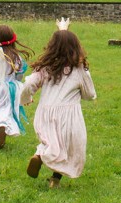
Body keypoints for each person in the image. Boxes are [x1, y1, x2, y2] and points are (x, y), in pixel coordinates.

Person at [20, 18, 97, 188]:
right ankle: (55, 179)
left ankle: (40, 156)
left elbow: (29, 84)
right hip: (69, 116)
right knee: (69, 147)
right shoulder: (79, 69)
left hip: (45, 113)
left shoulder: (46, 67)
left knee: (51, 142)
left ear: (51, 47)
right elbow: (90, 94)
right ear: (76, 48)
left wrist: (26, 99)